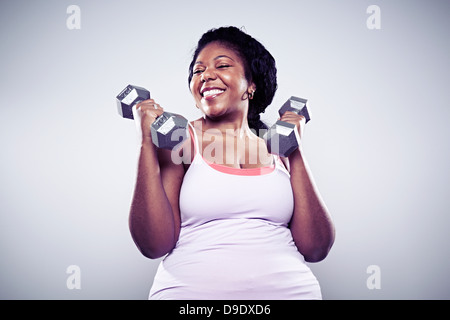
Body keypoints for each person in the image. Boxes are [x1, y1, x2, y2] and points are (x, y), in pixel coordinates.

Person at [128, 26, 335, 300]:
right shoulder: (181, 141)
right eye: (197, 71)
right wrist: (146, 142)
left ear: (251, 85)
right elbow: (153, 244)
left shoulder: (279, 149)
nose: (206, 76)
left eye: (222, 65)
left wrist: (294, 149)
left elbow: (316, 248)